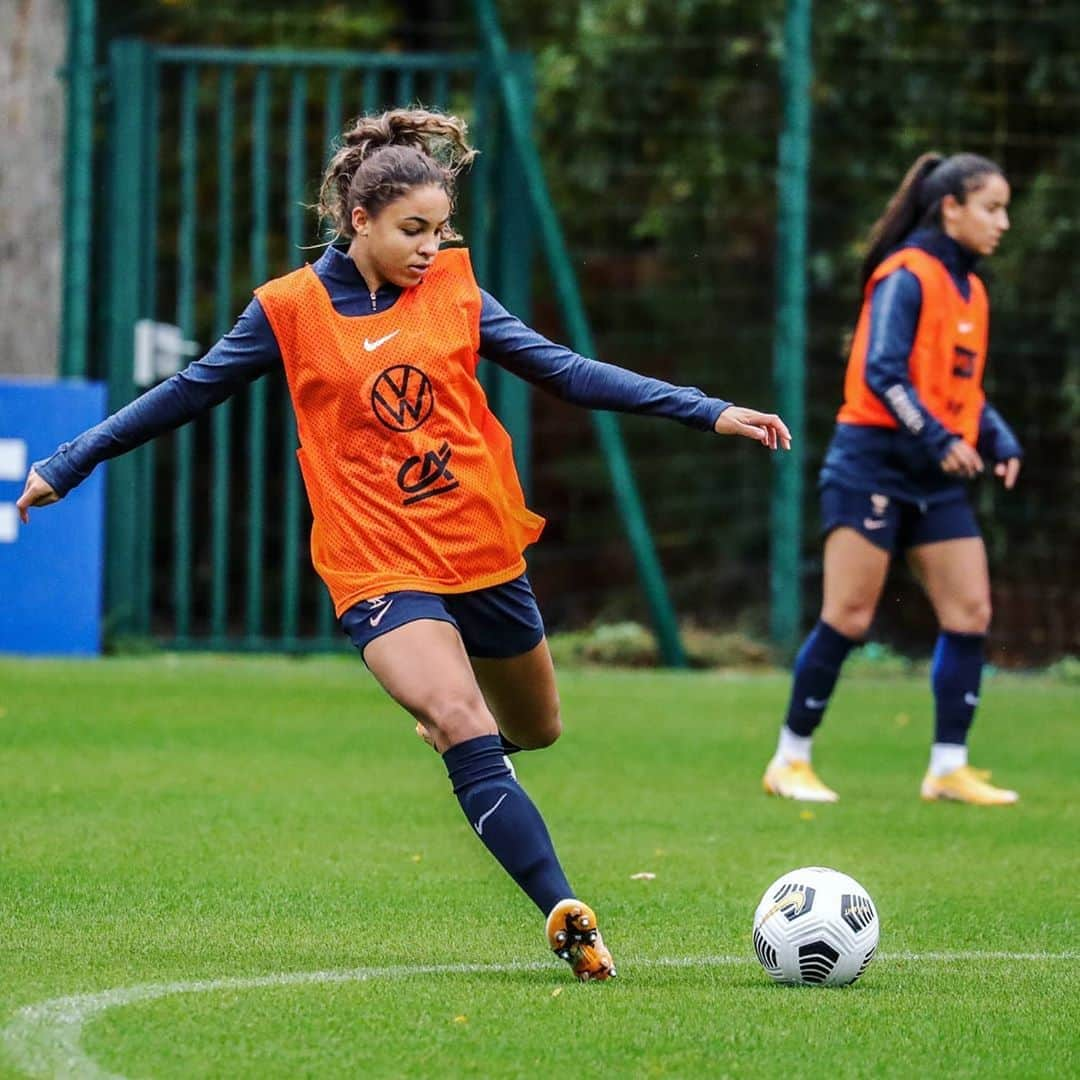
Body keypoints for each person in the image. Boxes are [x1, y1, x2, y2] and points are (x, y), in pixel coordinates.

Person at [18, 107, 791, 980]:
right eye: (412, 230)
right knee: (464, 722)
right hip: (375, 562)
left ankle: (459, 737)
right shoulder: (289, 310)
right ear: (359, 221)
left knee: (533, 727)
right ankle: (567, 915)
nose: (430, 246)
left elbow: (567, 371)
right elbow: (186, 393)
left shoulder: (456, 293)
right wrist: (70, 460)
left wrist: (707, 408)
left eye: (440, 229)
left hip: (481, 548)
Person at [763, 152, 1022, 807]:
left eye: (1004, 209)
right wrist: (940, 438)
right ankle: (790, 758)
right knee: (848, 615)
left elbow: (961, 388)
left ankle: (947, 768)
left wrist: (996, 436)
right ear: (951, 208)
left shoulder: (973, 290)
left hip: (931, 474)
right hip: (872, 462)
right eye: (992, 208)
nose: (1004, 223)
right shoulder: (907, 275)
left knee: (970, 611)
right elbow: (883, 372)